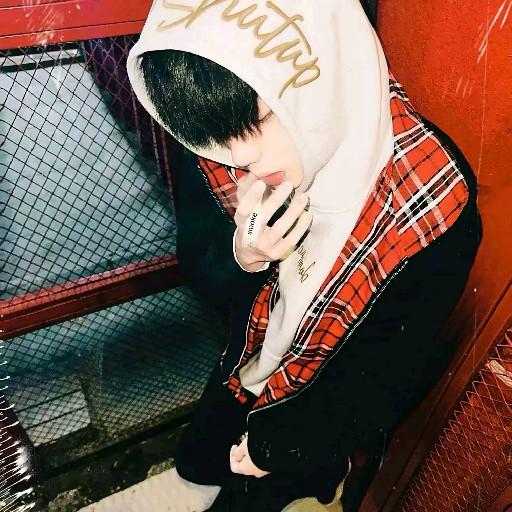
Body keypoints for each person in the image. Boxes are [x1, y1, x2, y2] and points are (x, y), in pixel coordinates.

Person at [126, 1, 482, 510]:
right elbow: (199, 264)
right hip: (241, 368)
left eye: (261, 119)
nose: (239, 155)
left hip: (308, 416)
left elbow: (389, 371)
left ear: (322, 76)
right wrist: (242, 255)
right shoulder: (212, 123)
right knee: (197, 463)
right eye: (219, 132)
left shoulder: (431, 201)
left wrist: (283, 446)